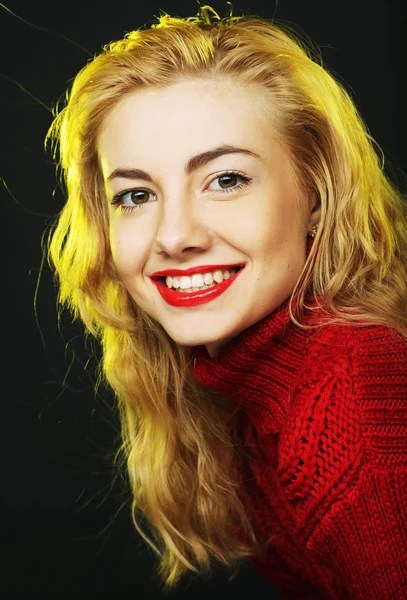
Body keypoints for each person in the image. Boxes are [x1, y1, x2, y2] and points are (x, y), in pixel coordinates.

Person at [46, 4, 407, 599]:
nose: (174, 235)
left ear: (316, 196)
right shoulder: (253, 388)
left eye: (226, 180)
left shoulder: (350, 389)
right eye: (135, 194)